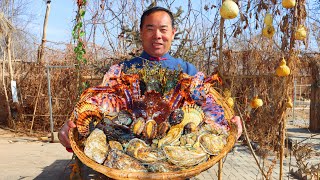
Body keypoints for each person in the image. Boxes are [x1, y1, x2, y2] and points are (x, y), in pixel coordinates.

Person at [58, 5, 242, 158]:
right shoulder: (121, 71)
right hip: (126, 161)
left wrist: (226, 127)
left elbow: (208, 117)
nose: (157, 35)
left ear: (173, 32)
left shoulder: (188, 72)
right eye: (150, 29)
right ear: (141, 32)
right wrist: (72, 133)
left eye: (163, 29)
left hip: (175, 160)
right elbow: (97, 109)